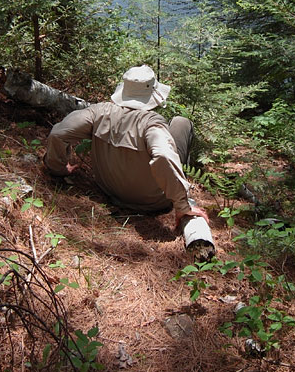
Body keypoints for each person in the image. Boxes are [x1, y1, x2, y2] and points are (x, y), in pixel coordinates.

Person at [43, 65, 212, 246]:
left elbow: (58, 133)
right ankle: (182, 183)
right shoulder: (151, 123)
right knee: (181, 122)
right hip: (153, 200)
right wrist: (182, 207)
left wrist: (58, 168)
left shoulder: (98, 112)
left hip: (109, 190)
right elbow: (163, 155)